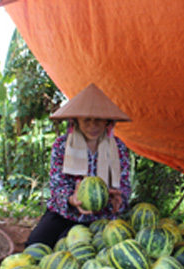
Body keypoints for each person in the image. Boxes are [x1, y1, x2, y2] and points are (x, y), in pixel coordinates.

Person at [25, 83, 132, 248]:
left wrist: (118, 199)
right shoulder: (62, 145)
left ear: (107, 122)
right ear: (75, 121)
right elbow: (57, 183)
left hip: (101, 216)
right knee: (35, 245)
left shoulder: (118, 148)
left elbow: (124, 186)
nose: (92, 125)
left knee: (72, 248)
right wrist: (70, 199)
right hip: (64, 212)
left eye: (98, 120)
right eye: (86, 120)